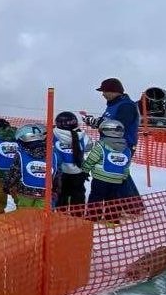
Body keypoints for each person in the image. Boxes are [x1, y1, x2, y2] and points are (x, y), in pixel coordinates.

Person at [82, 78, 143, 211]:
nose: (103, 94)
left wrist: (98, 123)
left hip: (121, 146)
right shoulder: (113, 105)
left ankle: (131, 206)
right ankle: (133, 205)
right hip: (109, 145)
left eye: (104, 91)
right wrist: (93, 121)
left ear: (114, 91)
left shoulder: (126, 106)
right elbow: (106, 121)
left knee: (116, 173)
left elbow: (117, 126)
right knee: (116, 173)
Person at [81, 119, 133, 221]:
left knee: (96, 197)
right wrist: (124, 177)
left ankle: (93, 217)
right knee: (113, 199)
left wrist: (84, 171)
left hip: (100, 179)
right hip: (117, 180)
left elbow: (91, 160)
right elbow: (126, 165)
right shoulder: (126, 149)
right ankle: (112, 218)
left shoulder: (101, 146)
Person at [4, 124, 56, 209]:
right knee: (41, 217)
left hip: (25, 193)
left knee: (24, 216)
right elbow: (56, 174)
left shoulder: (21, 154)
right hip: (45, 194)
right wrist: (56, 190)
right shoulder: (53, 154)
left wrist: (7, 185)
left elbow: (14, 172)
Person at [53, 111, 92, 210]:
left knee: (61, 193)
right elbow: (88, 147)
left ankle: (61, 214)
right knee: (78, 194)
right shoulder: (82, 136)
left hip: (60, 172)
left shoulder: (53, 135)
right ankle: (77, 215)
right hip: (78, 171)